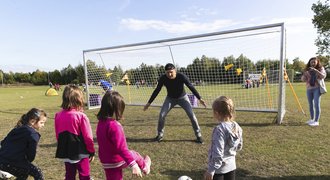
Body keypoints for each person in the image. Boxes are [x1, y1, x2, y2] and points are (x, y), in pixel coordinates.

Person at [143, 63, 207, 144]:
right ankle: (160, 135)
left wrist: (199, 98)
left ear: (175, 71)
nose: (169, 74)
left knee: (192, 115)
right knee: (162, 115)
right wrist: (149, 103)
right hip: (170, 99)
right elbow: (157, 90)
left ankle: (199, 135)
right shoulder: (163, 78)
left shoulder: (181, 76)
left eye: (171, 72)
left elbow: (190, 86)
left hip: (183, 98)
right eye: (167, 72)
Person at [96, 90, 151, 180]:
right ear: (117, 109)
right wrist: (133, 165)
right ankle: (145, 167)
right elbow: (122, 148)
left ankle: (144, 165)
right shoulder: (115, 126)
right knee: (134, 154)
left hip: (106, 161)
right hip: (117, 160)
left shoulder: (100, 123)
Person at [54, 85, 95, 180]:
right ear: (79, 99)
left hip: (65, 150)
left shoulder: (58, 115)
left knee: (69, 174)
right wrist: (91, 151)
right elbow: (88, 137)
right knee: (84, 175)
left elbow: (58, 135)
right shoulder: (81, 116)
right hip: (80, 151)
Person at [0, 108, 47, 180]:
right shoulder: (33, 134)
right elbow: (31, 155)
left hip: (2, 160)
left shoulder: (17, 129)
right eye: (41, 122)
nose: (43, 125)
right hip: (13, 162)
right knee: (38, 173)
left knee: (23, 174)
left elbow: (3, 143)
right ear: (32, 121)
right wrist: (26, 161)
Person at [204, 96, 243, 180]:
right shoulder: (237, 126)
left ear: (217, 113)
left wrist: (210, 170)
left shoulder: (219, 130)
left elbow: (218, 153)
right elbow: (239, 146)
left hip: (219, 170)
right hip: (232, 166)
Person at [301, 57, 327, 127]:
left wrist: (316, 71)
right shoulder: (307, 70)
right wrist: (303, 75)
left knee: (316, 104)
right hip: (309, 89)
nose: (312, 63)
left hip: (317, 88)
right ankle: (312, 119)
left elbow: (323, 76)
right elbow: (303, 79)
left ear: (317, 62)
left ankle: (316, 121)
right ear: (309, 63)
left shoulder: (321, 69)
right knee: (310, 104)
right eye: (311, 62)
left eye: (314, 62)